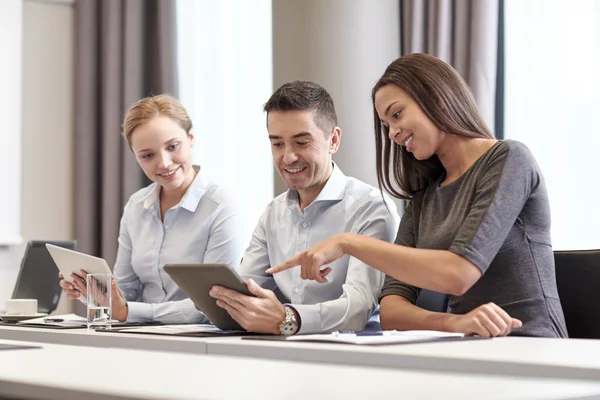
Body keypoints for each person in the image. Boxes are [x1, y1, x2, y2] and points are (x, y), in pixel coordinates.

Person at [269, 54, 568, 338]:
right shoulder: (424, 197)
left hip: (533, 345)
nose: (392, 134)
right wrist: (456, 323)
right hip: (470, 349)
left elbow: (459, 272)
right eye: (386, 125)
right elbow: (392, 312)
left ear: (435, 98)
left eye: (396, 114)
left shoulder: (509, 160)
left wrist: (348, 242)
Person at [209, 81, 400, 335]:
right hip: (282, 352)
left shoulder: (372, 209)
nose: (288, 157)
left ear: (333, 140)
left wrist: (288, 318)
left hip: (350, 358)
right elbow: (246, 289)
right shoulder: (273, 213)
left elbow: (357, 308)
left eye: (301, 143)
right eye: (277, 144)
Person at [60, 94, 245, 323]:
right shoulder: (136, 207)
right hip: (141, 337)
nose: (164, 163)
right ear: (136, 157)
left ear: (191, 138)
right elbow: (126, 291)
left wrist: (127, 312)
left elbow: (215, 304)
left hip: (199, 341)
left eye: (173, 146)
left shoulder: (221, 206)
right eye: (148, 155)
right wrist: (94, 294)